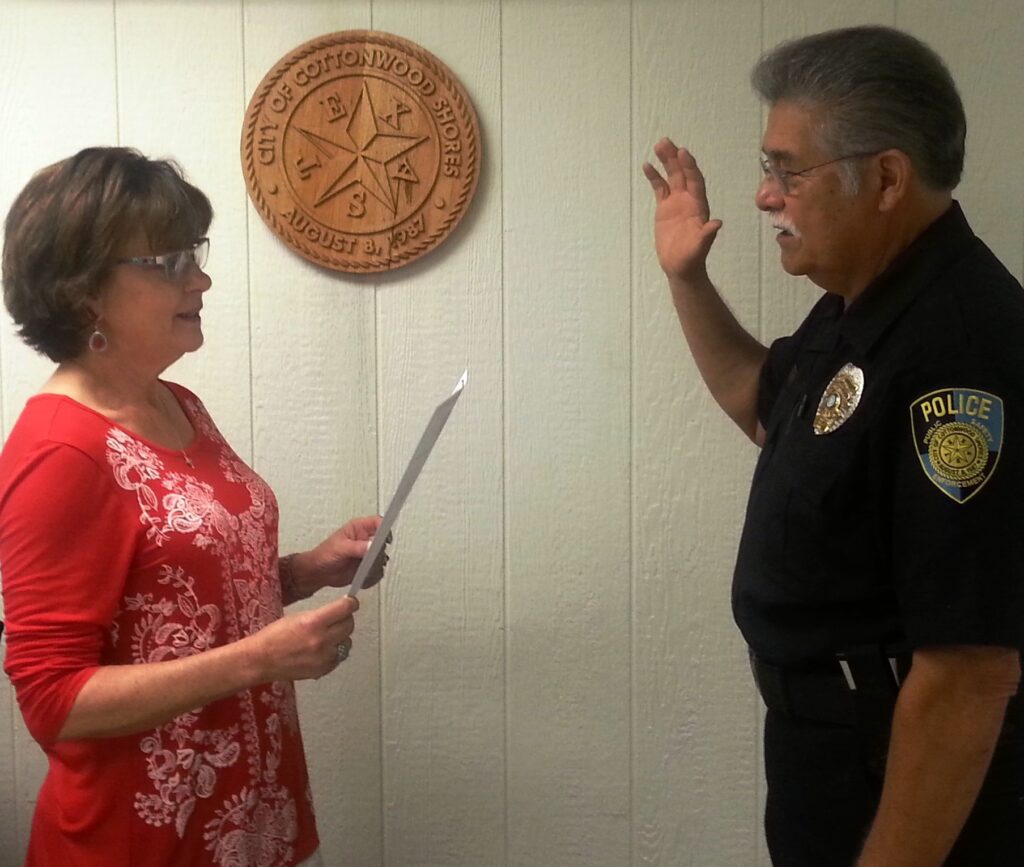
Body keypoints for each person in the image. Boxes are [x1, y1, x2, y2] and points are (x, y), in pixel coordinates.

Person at [643, 25, 1024, 867]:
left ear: (886, 178)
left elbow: (969, 672)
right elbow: (764, 408)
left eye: (788, 171)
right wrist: (685, 277)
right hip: (830, 759)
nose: (763, 196)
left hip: (905, 784)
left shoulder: (960, 350)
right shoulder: (864, 303)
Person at [0, 147, 387, 867]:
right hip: (140, 841)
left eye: (194, 255)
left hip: (248, 822)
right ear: (84, 291)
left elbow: (172, 600)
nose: (200, 278)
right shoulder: (59, 450)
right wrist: (254, 661)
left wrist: (304, 570)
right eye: (169, 262)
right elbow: (52, 699)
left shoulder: (179, 404)